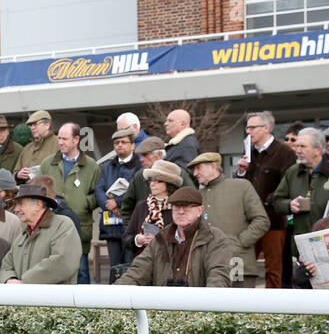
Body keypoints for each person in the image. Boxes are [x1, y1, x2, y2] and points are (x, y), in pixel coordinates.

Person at [116, 187, 232, 288]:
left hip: (198, 308)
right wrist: (111, 295)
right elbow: (137, 272)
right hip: (163, 308)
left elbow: (218, 277)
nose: (181, 212)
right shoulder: (160, 239)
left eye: (187, 207)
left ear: (200, 210)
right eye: (176, 207)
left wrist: (207, 307)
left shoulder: (214, 239)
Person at [235, 110, 297, 288]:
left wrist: (269, 201)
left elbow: (288, 185)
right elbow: (243, 186)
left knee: (273, 268)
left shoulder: (284, 152)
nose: (249, 131)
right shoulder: (249, 152)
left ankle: (272, 308)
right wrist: (241, 172)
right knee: (245, 263)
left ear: (266, 128)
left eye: (253, 127)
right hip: (250, 221)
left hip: (273, 222)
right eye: (247, 128)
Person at [190, 151, 269, 287]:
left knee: (241, 307)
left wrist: (239, 243)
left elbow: (262, 220)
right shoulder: (197, 196)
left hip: (239, 264)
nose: (195, 173)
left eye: (198, 168)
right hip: (207, 270)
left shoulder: (241, 186)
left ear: (213, 166)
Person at [39, 121, 100, 283]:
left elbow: (98, 194)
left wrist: (84, 202)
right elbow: (38, 190)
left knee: (81, 273)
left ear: (76, 140)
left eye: (65, 139)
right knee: (52, 274)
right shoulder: (47, 163)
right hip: (51, 227)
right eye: (59, 138)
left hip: (80, 227)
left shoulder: (92, 166)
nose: (60, 142)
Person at [269, 126, 329, 245]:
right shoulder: (292, 172)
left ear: (318, 150)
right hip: (302, 243)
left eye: (302, 146)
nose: (298, 150)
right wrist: (290, 205)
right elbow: (277, 201)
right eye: (297, 146)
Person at [0, 182, 82, 285]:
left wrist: (24, 282)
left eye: (21, 204)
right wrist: (10, 279)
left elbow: (63, 262)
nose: (16, 209)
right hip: (24, 299)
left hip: (55, 300)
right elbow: (6, 266)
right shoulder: (22, 236)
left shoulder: (63, 225)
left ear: (38, 204)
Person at [96, 128, 142, 275]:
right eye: (116, 143)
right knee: (114, 268)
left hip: (130, 224)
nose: (119, 145)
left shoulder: (139, 165)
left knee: (130, 266)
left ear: (133, 145)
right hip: (111, 226)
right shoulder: (107, 166)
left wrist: (119, 202)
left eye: (123, 142)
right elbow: (99, 189)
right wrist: (109, 205)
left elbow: (136, 190)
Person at [122, 158, 183, 261]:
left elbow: (184, 240)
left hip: (170, 264)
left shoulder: (179, 208)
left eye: (158, 181)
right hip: (143, 263)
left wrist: (161, 241)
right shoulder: (142, 206)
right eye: (151, 180)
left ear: (169, 184)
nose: (152, 184)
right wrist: (138, 239)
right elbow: (126, 237)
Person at [14, 110, 59, 182]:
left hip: (51, 191)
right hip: (30, 191)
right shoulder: (27, 148)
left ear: (47, 125)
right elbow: (16, 172)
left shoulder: (59, 143)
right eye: (31, 125)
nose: (32, 128)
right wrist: (18, 175)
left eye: (35, 124)